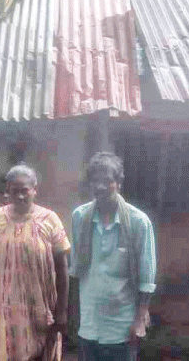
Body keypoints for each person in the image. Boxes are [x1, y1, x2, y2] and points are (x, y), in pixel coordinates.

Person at [0, 165, 70, 361]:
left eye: (24, 190)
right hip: (3, 310)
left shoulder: (49, 220)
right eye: (13, 191)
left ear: (34, 190)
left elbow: (62, 269)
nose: (19, 196)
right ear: (7, 192)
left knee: (40, 353)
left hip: (40, 310)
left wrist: (61, 311)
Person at [70, 152, 157, 361]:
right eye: (95, 181)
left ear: (119, 183)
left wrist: (139, 321)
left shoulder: (138, 222)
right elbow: (76, 271)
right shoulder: (80, 218)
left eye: (107, 181)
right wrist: (74, 317)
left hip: (122, 328)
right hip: (89, 326)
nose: (99, 186)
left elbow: (147, 279)